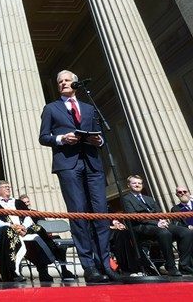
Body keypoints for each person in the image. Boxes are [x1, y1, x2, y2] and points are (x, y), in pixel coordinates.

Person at [38, 69, 113, 283]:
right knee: (79, 215)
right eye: (59, 81)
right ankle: (89, 267)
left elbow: (101, 135)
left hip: (92, 163)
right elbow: (44, 137)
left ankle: (105, 264)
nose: (62, 83)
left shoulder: (89, 108)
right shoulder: (51, 108)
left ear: (76, 83)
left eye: (67, 80)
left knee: (101, 215)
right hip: (68, 165)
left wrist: (99, 141)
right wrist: (62, 138)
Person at [121, 175, 193, 276]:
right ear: (128, 185)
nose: (137, 185)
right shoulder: (126, 199)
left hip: (158, 224)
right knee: (164, 233)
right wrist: (156, 223)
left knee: (186, 232)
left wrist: (162, 220)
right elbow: (135, 217)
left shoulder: (149, 198)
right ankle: (171, 266)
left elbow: (159, 211)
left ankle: (184, 265)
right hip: (141, 227)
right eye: (134, 183)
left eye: (139, 183)